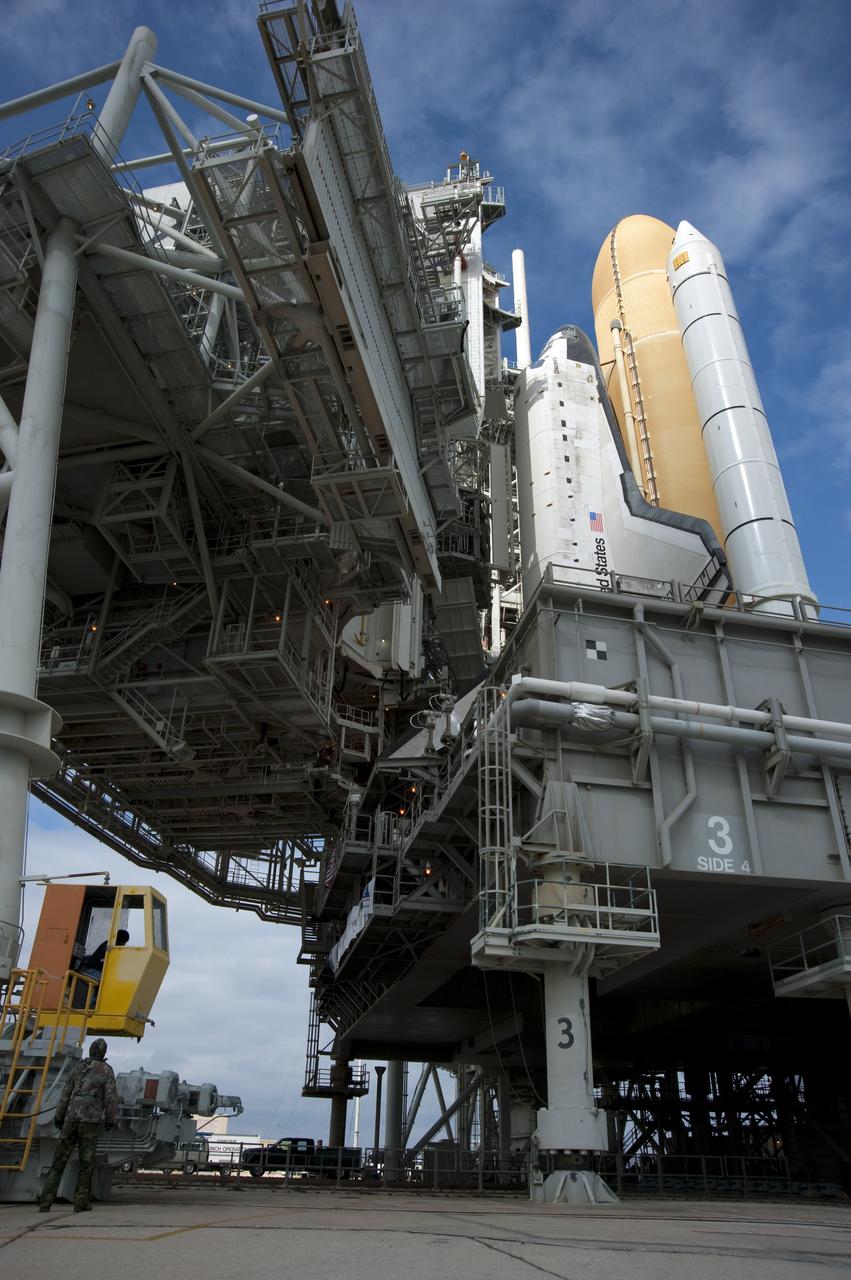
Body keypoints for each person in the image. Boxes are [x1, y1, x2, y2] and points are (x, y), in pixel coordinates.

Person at [38, 1038, 118, 1213]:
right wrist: (111, 1119)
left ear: (90, 1050)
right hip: (90, 1122)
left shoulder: (78, 1068)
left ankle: (45, 1202)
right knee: (86, 1163)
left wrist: (59, 1117)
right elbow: (111, 1098)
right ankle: (80, 1203)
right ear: (103, 1053)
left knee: (59, 1161)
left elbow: (65, 1094)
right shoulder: (106, 1070)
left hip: (70, 1119)